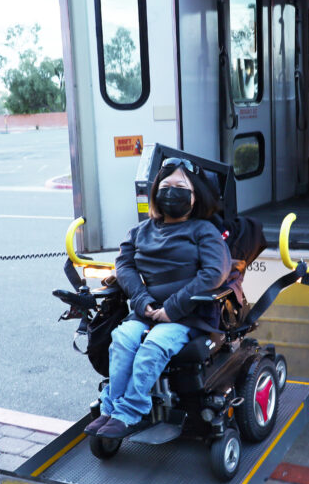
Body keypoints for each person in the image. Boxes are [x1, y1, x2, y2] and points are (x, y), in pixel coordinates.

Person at [86, 157, 231, 439]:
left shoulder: (203, 230)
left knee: (153, 346)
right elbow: (124, 266)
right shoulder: (139, 231)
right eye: (165, 186)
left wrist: (172, 309)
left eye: (180, 185)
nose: (171, 191)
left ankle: (130, 413)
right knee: (123, 340)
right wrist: (141, 301)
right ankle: (110, 408)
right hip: (146, 309)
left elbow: (215, 272)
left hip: (188, 314)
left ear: (194, 195)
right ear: (155, 193)